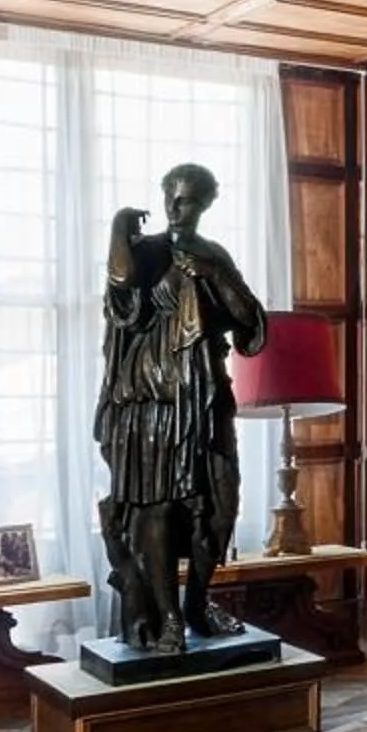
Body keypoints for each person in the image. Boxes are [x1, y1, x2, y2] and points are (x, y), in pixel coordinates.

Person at [95, 162, 266, 653]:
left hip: (205, 396)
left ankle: (197, 603)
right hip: (152, 402)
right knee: (158, 510)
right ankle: (169, 618)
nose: (175, 206)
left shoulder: (213, 255)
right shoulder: (145, 253)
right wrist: (118, 226)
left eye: (187, 199)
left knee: (220, 508)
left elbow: (250, 326)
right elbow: (121, 282)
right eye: (170, 195)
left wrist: (212, 274)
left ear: (206, 203)